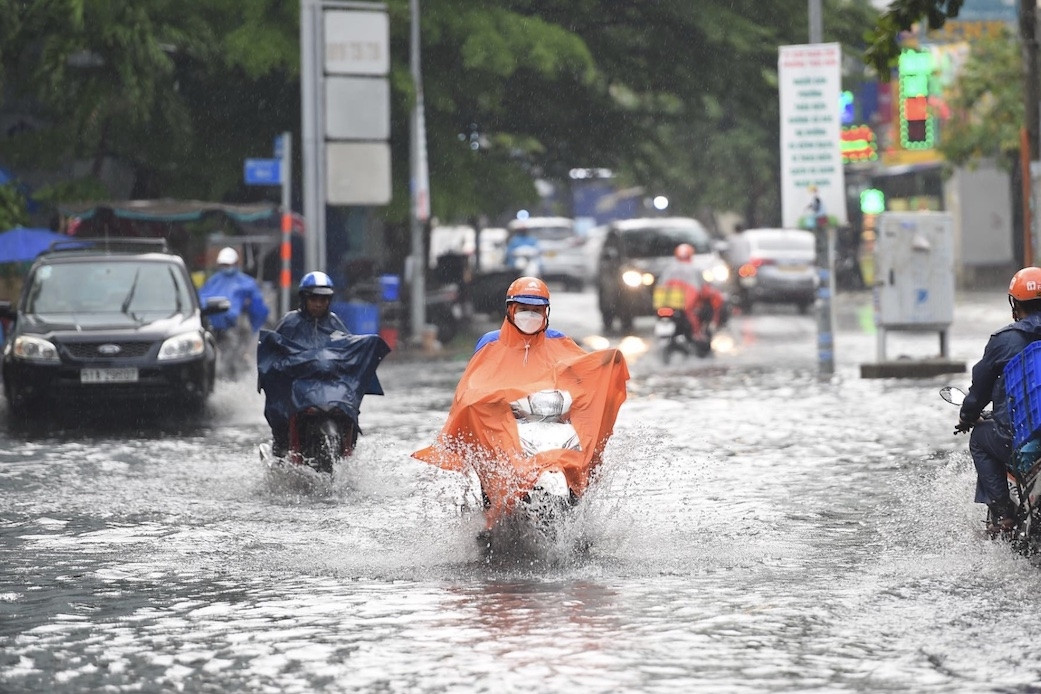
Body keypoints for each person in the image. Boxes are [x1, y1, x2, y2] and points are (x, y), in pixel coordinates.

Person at [956, 267, 1041, 532]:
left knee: (979, 438)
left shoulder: (1004, 341)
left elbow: (979, 390)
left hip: (1020, 435)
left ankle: (1003, 512)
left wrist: (967, 416)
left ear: (1015, 304)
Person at [265, 271, 351, 456]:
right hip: (298, 388)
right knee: (279, 411)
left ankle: (348, 452)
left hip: (329, 389)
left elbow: (347, 350)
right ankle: (281, 450)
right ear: (304, 298)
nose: (318, 303)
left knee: (350, 413)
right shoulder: (289, 323)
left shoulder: (335, 324)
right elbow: (273, 353)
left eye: (323, 299)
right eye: (314, 298)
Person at [198, 247, 270, 377]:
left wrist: (252, 322)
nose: (226, 267)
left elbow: (258, 309)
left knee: (232, 355)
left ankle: (233, 376)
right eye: (224, 265)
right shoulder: (214, 281)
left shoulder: (246, 283)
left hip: (235, 327)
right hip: (214, 328)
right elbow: (201, 300)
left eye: (228, 264)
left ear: (236, 263)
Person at [652, 243, 724, 339]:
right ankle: (697, 334)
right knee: (693, 316)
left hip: (667, 303)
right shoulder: (695, 269)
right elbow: (704, 288)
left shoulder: (669, 269)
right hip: (686, 305)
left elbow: (660, 285)